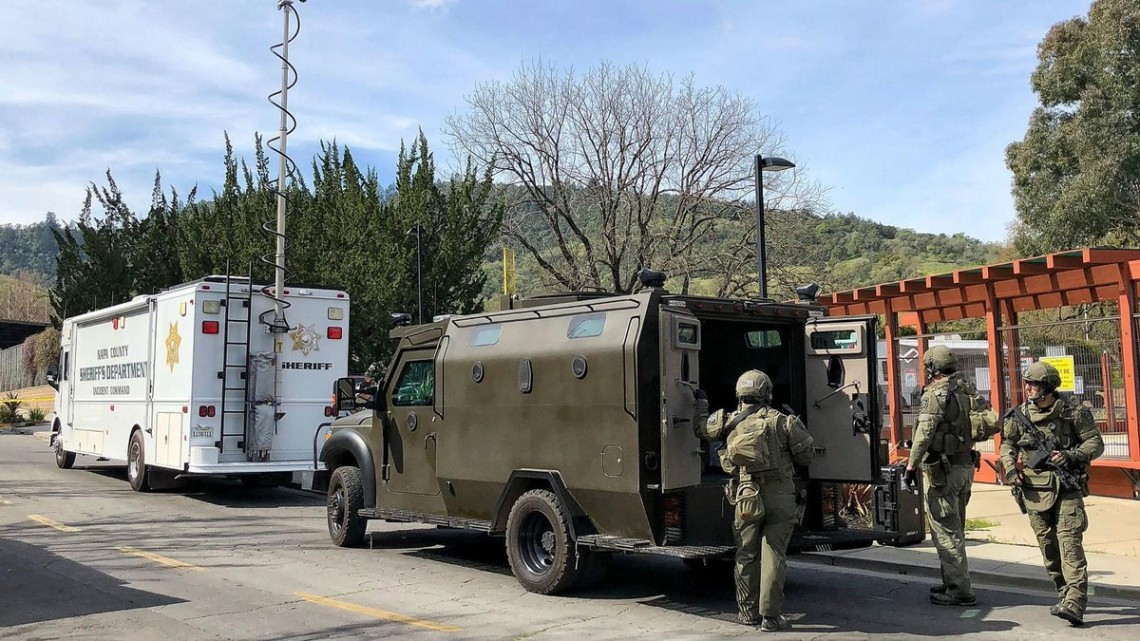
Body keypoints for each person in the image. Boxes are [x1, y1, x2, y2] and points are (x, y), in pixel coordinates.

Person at [692, 370, 815, 631]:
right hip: (781, 496)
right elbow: (807, 457)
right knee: (773, 553)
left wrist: (701, 404)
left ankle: (747, 613)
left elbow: (700, 429)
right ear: (767, 393)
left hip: (747, 495)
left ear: (740, 393)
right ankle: (770, 617)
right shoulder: (784, 421)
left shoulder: (727, 421)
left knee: (746, 554)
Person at [999, 360, 1103, 626]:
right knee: (1048, 548)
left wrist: (1071, 455)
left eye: (1034, 384)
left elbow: (1095, 442)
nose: (1029, 388)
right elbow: (1007, 446)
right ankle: (1064, 594)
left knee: (1070, 545)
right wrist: (1012, 471)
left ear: (1048, 387)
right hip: (1034, 492)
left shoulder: (1072, 413)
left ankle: (1076, 602)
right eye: (1027, 384)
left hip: (1067, 488)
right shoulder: (1019, 415)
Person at [905, 345, 977, 606]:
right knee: (955, 528)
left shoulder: (937, 393)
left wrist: (911, 465)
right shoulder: (965, 389)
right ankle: (952, 581)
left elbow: (924, 431)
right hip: (965, 468)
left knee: (946, 531)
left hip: (944, 472)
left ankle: (960, 591)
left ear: (931, 367)